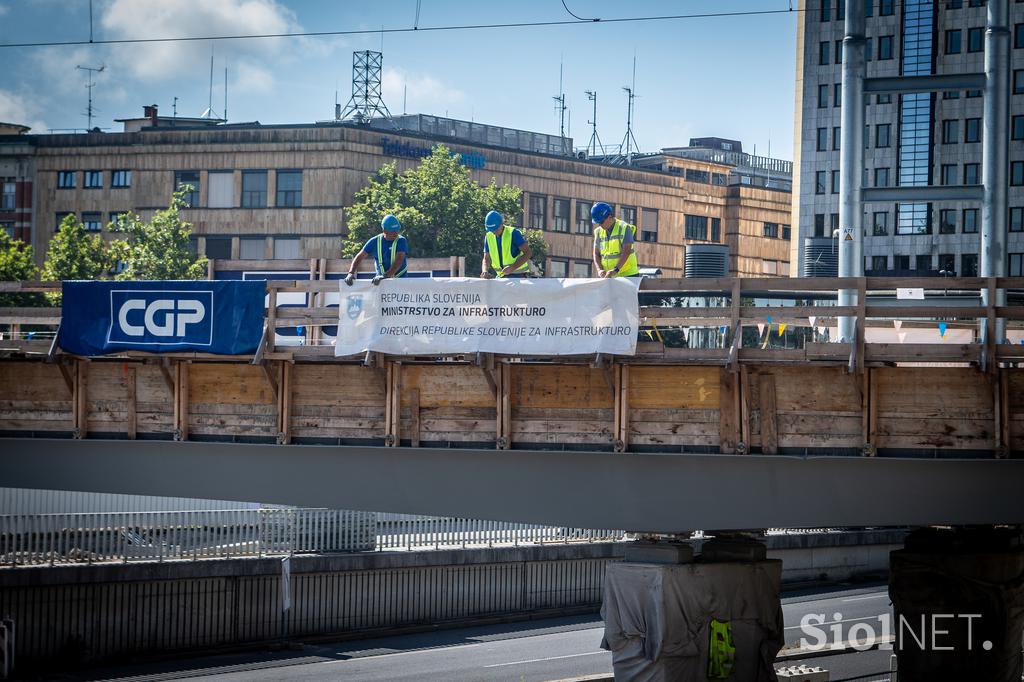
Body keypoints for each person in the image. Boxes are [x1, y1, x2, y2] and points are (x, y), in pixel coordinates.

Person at [344, 214, 408, 285]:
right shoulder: (374, 241)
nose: (396, 233)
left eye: (397, 230)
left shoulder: (401, 241)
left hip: (400, 281)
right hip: (380, 282)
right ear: (385, 231)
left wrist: (385, 276)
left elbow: (398, 261)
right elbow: (359, 257)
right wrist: (351, 273)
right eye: (393, 231)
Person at [591, 202, 639, 278]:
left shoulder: (624, 228)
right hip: (609, 276)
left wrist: (615, 270)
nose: (600, 225)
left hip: (628, 275)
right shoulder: (598, 232)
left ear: (610, 216)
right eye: (598, 222)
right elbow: (596, 254)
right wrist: (599, 270)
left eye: (601, 222)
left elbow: (626, 251)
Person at [480, 210, 532, 279]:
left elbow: (528, 253)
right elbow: (486, 258)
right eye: (491, 230)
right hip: (501, 277)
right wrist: (484, 271)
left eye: (495, 229)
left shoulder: (513, 233)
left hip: (518, 277)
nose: (493, 232)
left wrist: (512, 268)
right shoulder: (489, 236)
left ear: (501, 224)